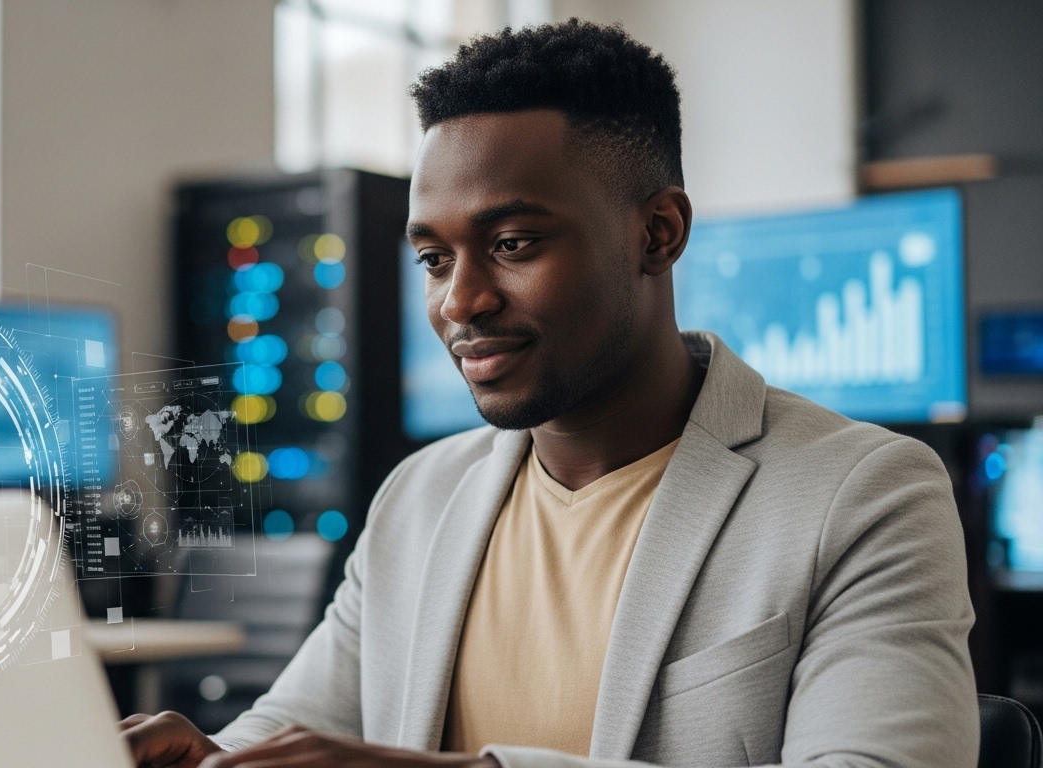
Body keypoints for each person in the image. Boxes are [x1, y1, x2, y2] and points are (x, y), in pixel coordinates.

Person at [122, 18, 977, 768]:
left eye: (514, 242)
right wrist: (210, 755)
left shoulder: (865, 494)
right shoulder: (421, 499)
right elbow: (298, 728)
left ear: (658, 233)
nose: (459, 301)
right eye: (433, 258)